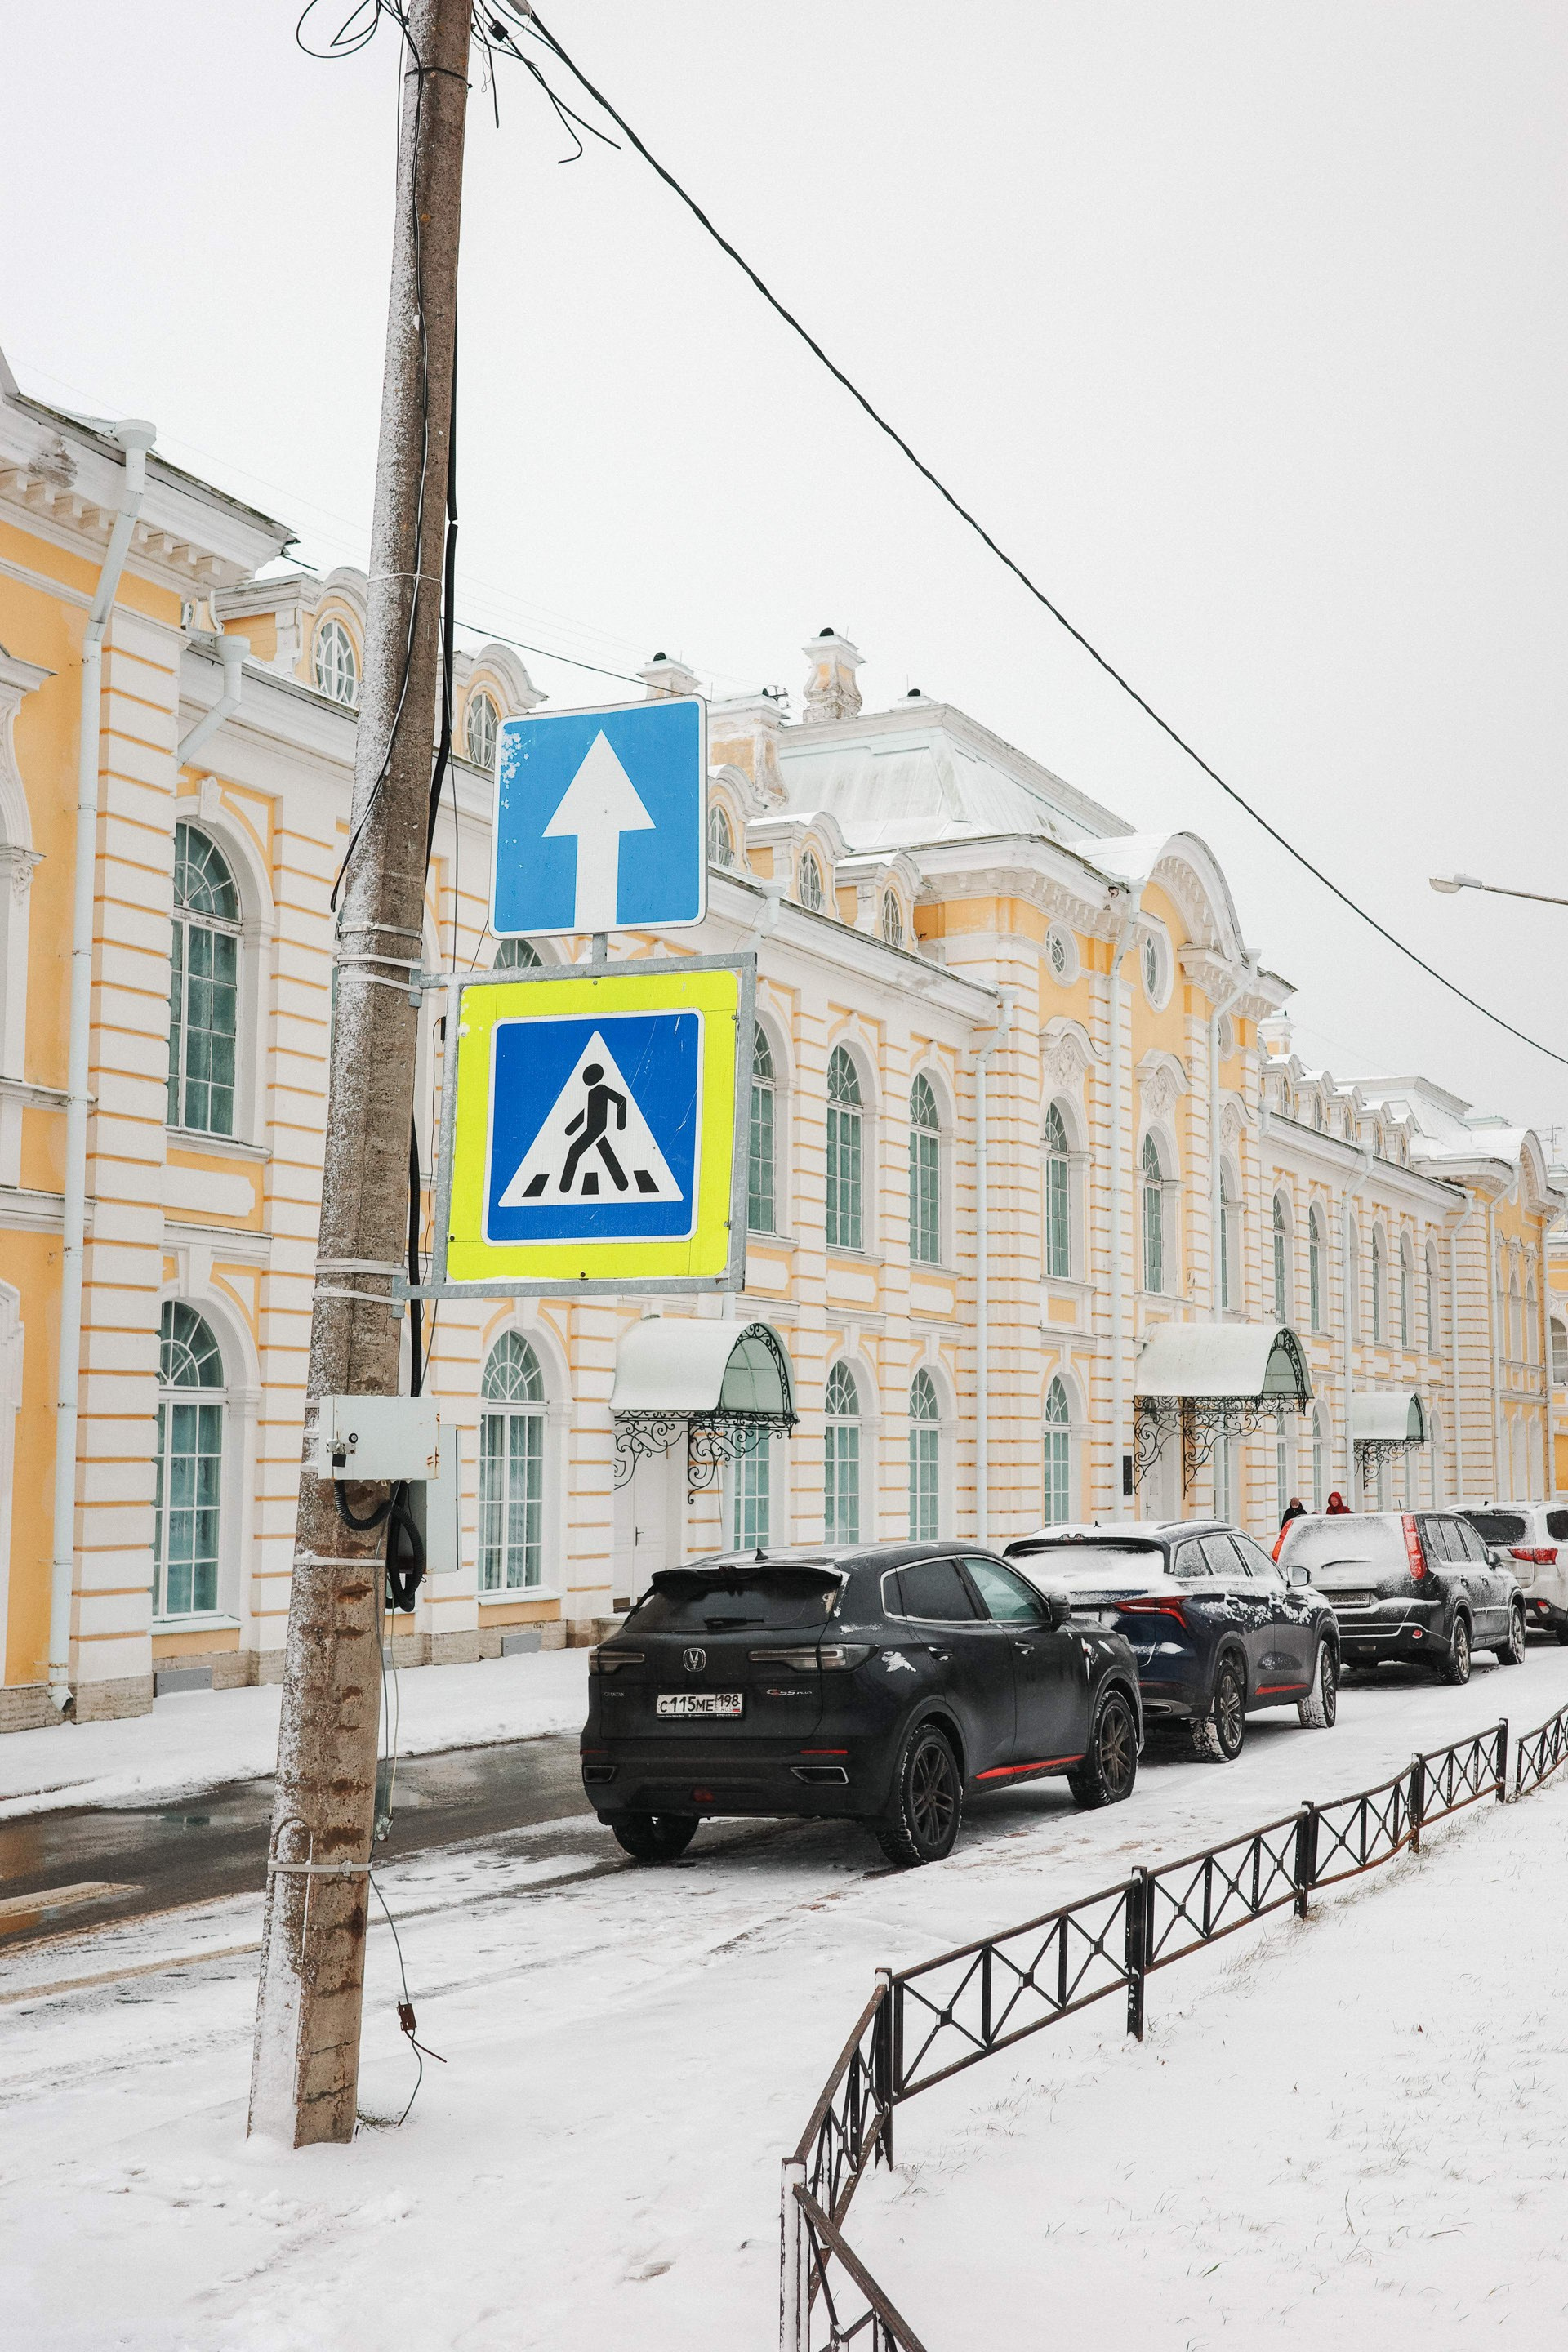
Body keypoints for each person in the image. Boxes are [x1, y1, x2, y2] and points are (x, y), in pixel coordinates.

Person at [1272, 1495, 1306, 1561]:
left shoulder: (1303, 1512)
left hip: (1300, 1533)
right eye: (1293, 1505)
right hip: (1290, 1533)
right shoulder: (1288, 1512)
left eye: (1296, 1505)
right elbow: (1284, 1523)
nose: (1294, 1507)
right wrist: (1283, 1532)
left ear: (1298, 1504)